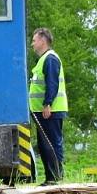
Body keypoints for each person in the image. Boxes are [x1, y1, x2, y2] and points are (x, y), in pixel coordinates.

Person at [29, 28, 68, 185]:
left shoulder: (50, 59)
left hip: (50, 110)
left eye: (34, 40)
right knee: (45, 145)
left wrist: (47, 104)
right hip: (43, 111)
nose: (32, 43)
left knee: (51, 144)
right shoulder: (44, 59)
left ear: (43, 40)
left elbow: (53, 83)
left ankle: (55, 177)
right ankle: (51, 178)